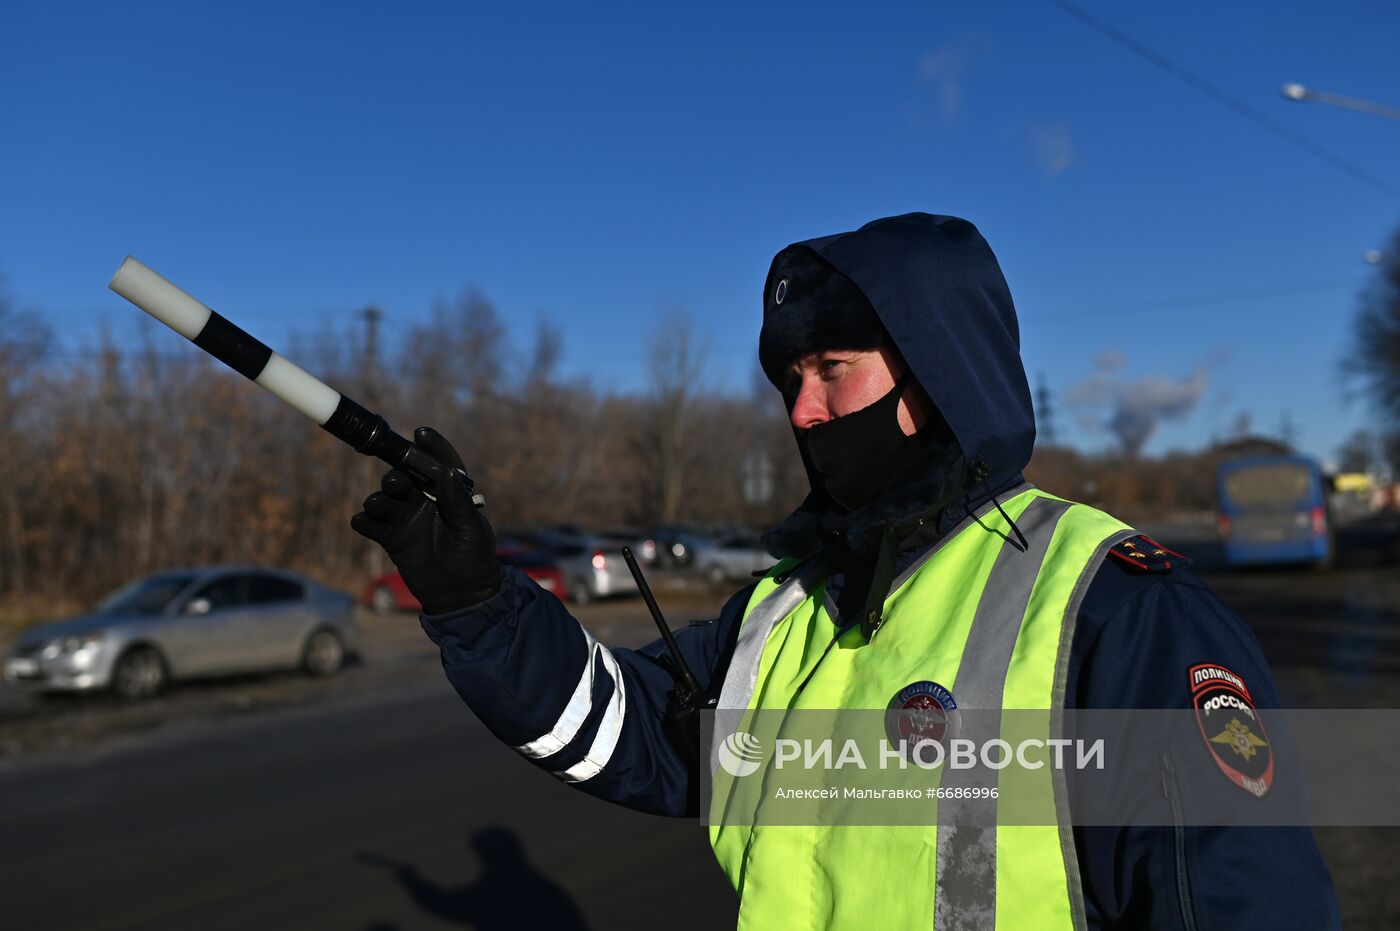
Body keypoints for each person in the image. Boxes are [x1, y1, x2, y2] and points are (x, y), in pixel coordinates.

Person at [352, 213, 1341, 929]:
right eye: (790, 379)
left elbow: (1242, 899)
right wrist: (475, 600)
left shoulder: (1115, 609)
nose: (803, 410)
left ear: (937, 371)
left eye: (833, 370)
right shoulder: (784, 609)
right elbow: (623, 731)